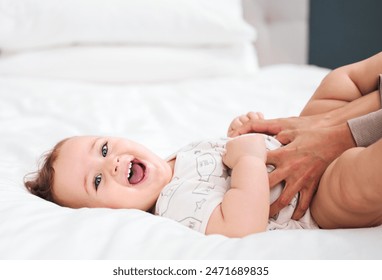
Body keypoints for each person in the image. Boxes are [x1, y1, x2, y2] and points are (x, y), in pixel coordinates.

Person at [25, 52, 382, 237]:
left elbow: (227, 154)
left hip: (298, 135)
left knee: (341, 81)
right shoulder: (170, 207)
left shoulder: (176, 159)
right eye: (98, 182)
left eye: (103, 149)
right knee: (358, 183)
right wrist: (248, 161)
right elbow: (243, 225)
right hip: (311, 200)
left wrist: (240, 132)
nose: (111, 164)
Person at [229, 51, 382, 227]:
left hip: (310, 198)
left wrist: (243, 141)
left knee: (353, 190)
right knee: (342, 82)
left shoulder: (197, 210)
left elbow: (239, 225)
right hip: (313, 177)